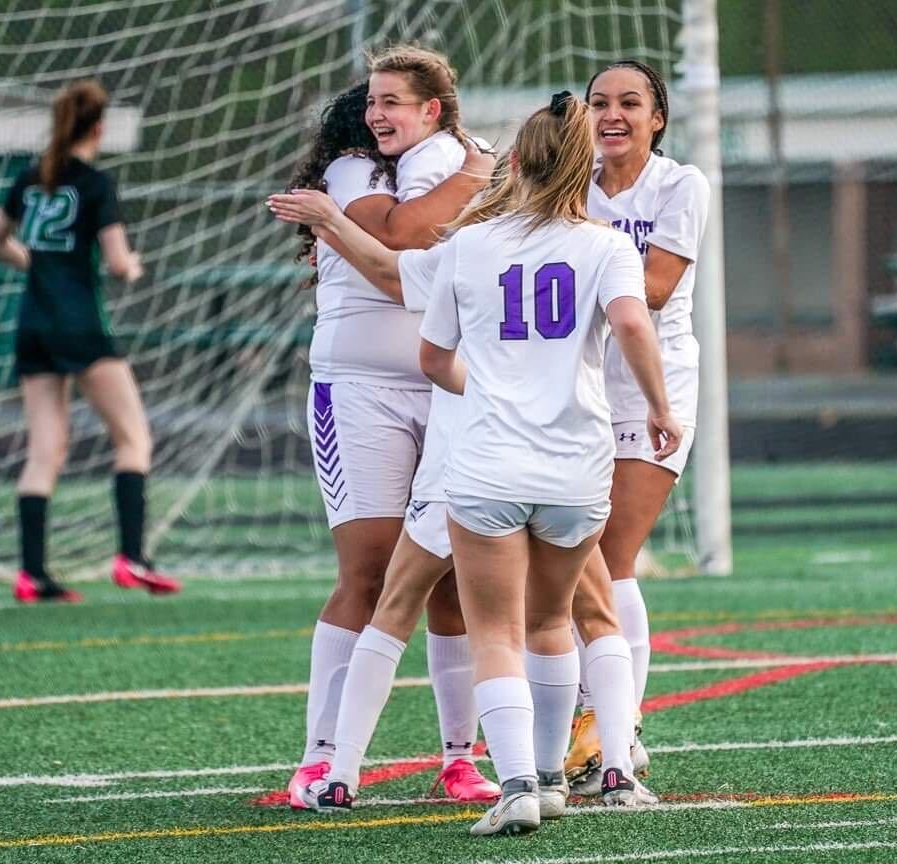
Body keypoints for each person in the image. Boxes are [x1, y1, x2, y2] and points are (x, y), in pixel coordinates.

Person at [422, 93, 679, 836]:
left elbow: (433, 358)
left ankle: (518, 788)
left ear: (515, 162)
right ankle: (551, 781)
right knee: (553, 621)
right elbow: (633, 320)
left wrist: (492, 392)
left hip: (490, 463)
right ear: (582, 163)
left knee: (493, 631)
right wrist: (660, 409)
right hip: (577, 465)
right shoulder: (605, 244)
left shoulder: (469, 244)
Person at [276, 49, 499, 809]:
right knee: (368, 575)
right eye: (373, 102)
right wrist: (478, 171)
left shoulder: (443, 165)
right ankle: (319, 758)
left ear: (432, 110)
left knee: (453, 577)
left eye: (393, 101)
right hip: (360, 391)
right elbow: (401, 239)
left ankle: (458, 760)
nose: (379, 114)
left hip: (446, 388)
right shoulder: (350, 172)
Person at [565, 59, 712, 794]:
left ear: (657, 118)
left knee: (609, 554)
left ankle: (612, 731)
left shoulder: (680, 185)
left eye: (630, 102)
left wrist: (570, 224)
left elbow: (651, 290)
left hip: (657, 387)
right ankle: (597, 727)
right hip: (578, 388)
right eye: (599, 102)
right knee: (571, 560)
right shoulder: (568, 180)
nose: (612, 113)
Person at [0, 80, 180, 603]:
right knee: (133, 438)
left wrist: (35, 263)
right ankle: (133, 558)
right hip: (79, 324)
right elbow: (118, 262)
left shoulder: (31, 178)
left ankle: (31, 573)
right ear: (99, 127)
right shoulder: (96, 184)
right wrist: (133, 268)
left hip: (32, 324)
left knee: (45, 448)